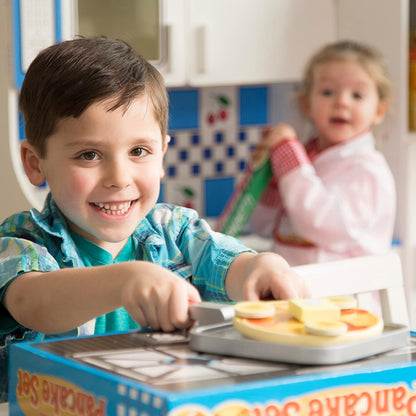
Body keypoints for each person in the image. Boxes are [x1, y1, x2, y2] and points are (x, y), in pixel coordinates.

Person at [0, 37, 309, 401]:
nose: (119, 176)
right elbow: (35, 304)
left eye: (139, 151)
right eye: (88, 154)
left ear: (162, 153)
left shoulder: (175, 231)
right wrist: (126, 280)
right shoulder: (22, 241)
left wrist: (263, 267)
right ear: (36, 163)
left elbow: (230, 265)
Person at [249, 40, 396, 266]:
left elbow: (321, 223)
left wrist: (290, 165)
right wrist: (270, 179)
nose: (341, 102)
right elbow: (261, 226)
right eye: (328, 92)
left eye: (357, 95)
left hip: (346, 298)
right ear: (307, 104)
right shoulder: (304, 159)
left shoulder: (368, 171)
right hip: (295, 293)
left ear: (379, 111)